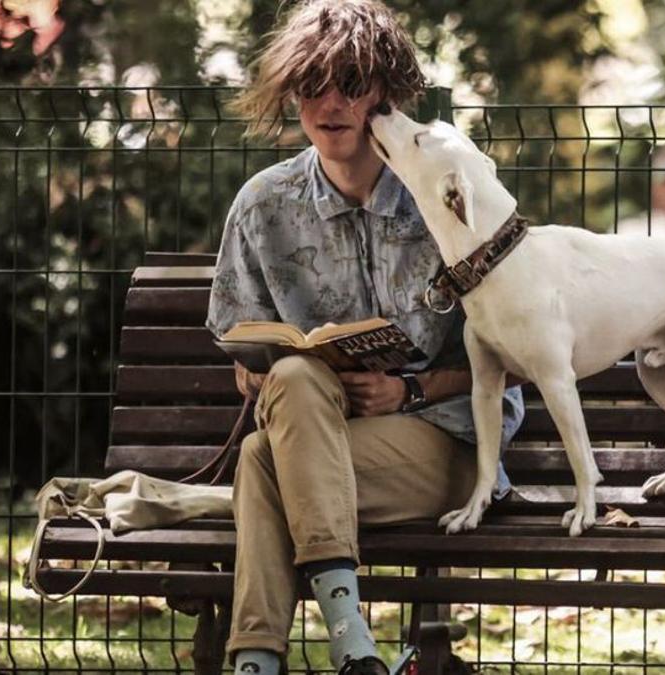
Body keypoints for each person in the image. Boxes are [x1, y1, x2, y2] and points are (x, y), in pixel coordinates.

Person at [205, 2, 524, 673]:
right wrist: (281, 377)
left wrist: (407, 387)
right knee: (289, 387)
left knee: (263, 464)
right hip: (315, 436)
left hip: (450, 438)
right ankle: (346, 649)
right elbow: (244, 359)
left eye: (350, 83)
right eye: (311, 85)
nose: (330, 103)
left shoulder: (445, 197)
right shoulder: (262, 205)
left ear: (384, 93)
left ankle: (265, 659)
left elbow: (517, 355)